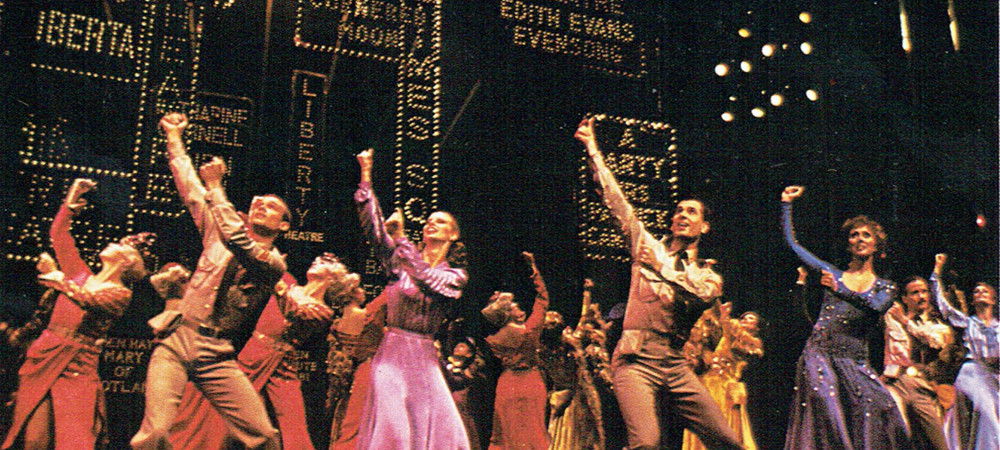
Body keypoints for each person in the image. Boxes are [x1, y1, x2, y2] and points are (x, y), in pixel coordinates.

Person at [575, 117, 741, 449]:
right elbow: (617, 202)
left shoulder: (708, 275)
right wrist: (592, 148)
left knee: (727, 440)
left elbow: (699, 293)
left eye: (691, 212)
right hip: (635, 360)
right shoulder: (647, 246)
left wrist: (660, 267)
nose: (682, 215)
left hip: (675, 363)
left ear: (704, 227)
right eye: (678, 211)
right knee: (647, 442)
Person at [131, 113, 289, 449]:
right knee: (155, 433)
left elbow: (238, 241)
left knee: (264, 436)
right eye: (257, 202)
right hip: (176, 341)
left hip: (216, 352)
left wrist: (217, 188)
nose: (260, 205)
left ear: (284, 225)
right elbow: (191, 189)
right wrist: (174, 138)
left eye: (272, 206)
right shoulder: (217, 234)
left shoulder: (273, 264)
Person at [3, 179, 153, 449]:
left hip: (77, 365)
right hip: (45, 353)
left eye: (120, 245)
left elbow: (89, 301)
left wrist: (58, 278)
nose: (112, 243)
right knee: (34, 439)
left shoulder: (121, 294)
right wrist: (71, 202)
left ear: (128, 261)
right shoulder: (81, 275)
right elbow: (59, 235)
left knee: (74, 440)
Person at [168, 253, 356, 449]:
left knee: (293, 422)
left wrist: (284, 289)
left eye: (324, 263)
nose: (316, 261)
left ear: (333, 277)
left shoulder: (322, 311)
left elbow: (300, 312)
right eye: (316, 259)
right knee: (221, 411)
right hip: (252, 355)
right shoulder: (289, 283)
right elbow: (269, 273)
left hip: (282, 364)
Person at [354, 148, 470, 449]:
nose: (431, 223)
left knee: (439, 431)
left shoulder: (455, 275)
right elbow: (375, 231)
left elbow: (428, 280)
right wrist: (366, 175)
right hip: (392, 353)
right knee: (394, 429)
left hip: (424, 358)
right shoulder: (401, 261)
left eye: (440, 222)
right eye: (429, 220)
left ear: (454, 235)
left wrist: (402, 239)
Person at [779, 185, 910, 449]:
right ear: (848, 243)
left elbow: (874, 308)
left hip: (855, 360)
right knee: (827, 407)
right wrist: (786, 204)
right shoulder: (833, 273)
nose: (860, 239)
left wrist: (839, 290)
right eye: (854, 235)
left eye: (866, 235)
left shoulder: (886, 287)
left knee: (879, 406)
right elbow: (793, 245)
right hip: (819, 353)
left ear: (876, 244)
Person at [481, 251, 550, 449]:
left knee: (506, 433)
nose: (521, 309)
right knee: (533, 431)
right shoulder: (530, 330)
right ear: (511, 314)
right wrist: (534, 270)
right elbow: (543, 300)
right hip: (531, 381)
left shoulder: (493, 340)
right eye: (516, 307)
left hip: (508, 382)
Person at [931, 254, 998, 450]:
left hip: (995, 375)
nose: (980, 293)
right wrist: (937, 271)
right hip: (973, 373)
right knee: (987, 413)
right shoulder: (967, 323)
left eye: (984, 291)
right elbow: (942, 305)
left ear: (993, 299)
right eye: (976, 291)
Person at [882, 276, 953, 450]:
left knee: (936, 442)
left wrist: (905, 322)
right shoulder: (891, 320)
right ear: (905, 299)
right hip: (894, 383)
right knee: (895, 436)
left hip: (922, 385)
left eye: (924, 292)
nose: (921, 296)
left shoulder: (938, 326)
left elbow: (935, 343)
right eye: (915, 293)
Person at [682, 303, 764, 450]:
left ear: (757, 328)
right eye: (744, 318)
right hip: (709, 381)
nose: (745, 320)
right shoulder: (730, 334)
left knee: (722, 419)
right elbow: (725, 329)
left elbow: (734, 334)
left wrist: (725, 317)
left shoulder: (753, 342)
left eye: (750, 319)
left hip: (725, 385)